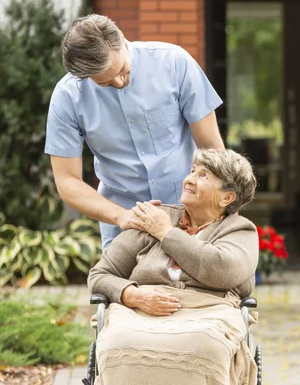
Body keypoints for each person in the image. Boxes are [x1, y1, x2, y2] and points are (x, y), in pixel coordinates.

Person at [44, 14, 225, 250]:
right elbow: (67, 181)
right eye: (106, 83)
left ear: (120, 38)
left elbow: (211, 149)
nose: (119, 83)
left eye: (122, 70)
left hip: (191, 213)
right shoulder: (67, 97)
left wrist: (224, 206)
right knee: (116, 287)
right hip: (123, 222)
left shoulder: (174, 63)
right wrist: (121, 216)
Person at [88, 148, 258, 385]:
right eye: (191, 171)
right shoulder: (153, 217)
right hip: (140, 314)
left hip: (207, 315)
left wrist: (165, 232)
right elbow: (100, 274)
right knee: (117, 340)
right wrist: (133, 295)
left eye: (203, 176)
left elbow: (222, 269)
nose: (189, 179)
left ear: (226, 197)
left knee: (206, 344)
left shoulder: (239, 230)